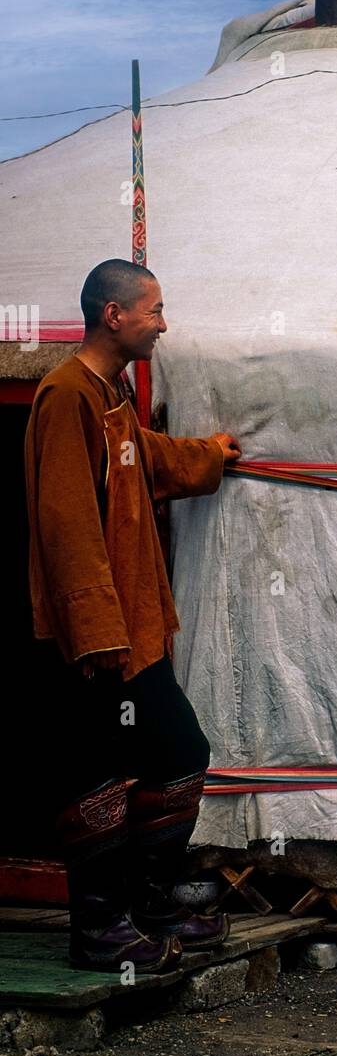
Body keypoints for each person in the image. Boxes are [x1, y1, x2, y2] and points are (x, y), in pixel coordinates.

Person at [25, 258, 242, 973]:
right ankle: (99, 930)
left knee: (176, 753)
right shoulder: (64, 395)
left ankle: (146, 904)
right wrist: (97, 634)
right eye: (154, 309)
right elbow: (67, 525)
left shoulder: (107, 392)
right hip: (96, 635)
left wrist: (207, 456)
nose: (164, 322)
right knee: (96, 775)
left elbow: (141, 458)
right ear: (114, 315)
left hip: (131, 627)